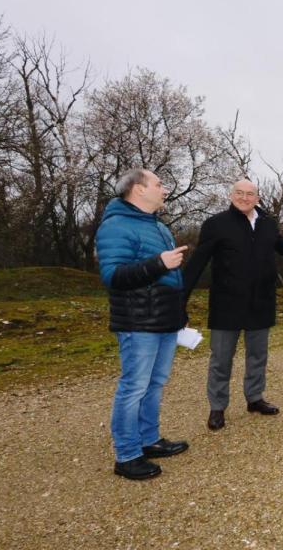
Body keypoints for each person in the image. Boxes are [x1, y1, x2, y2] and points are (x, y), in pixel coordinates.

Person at [182, 179, 283, 431]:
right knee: (221, 359)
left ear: (257, 197)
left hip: (260, 303)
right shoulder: (216, 224)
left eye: (249, 194)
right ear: (231, 195)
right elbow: (197, 263)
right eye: (239, 193)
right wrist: (180, 301)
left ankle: (254, 399)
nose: (244, 197)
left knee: (257, 356)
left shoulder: (268, 224)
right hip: (226, 305)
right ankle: (217, 407)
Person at [96, 168, 190, 481]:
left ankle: (149, 440)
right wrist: (159, 263)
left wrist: (180, 316)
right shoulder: (116, 226)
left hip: (164, 320)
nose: (165, 189)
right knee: (134, 386)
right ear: (138, 189)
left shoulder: (157, 225)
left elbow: (170, 279)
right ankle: (127, 455)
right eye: (159, 184)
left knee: (155, 382)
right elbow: (114, 277)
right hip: (138, 322)